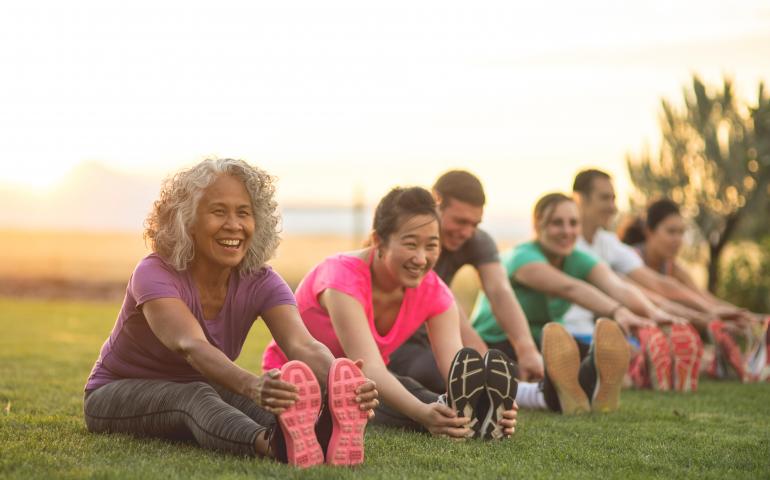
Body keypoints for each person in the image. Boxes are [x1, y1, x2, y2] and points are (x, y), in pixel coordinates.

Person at [83, 158, 378, 468]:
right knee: (196, 395)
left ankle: (319, 434)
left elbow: (302, 344)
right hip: (115, 392)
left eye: (244, 213)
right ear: (187, 221)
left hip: (205, 383)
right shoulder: (155, 272)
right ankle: (272, 445)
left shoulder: (261, 280)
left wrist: (340, 381)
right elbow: (190, 345)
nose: (234, 225)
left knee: (281, 400)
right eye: (218, 211)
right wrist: (252, 385)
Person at [263, 186, 519, 440]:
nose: (421, 258)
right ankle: (459, 420)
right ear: (378, 241)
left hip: (365, 386)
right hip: (298, 381)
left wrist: (482, 398)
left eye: (431, 245)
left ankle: (477, 418)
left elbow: (456, 371)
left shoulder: (435, 292)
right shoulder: (341, 278)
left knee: (415, 394)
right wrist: (423, 413)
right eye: (411, 244)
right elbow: (370, 367)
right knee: (392, 398)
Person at [470, 193, 654, 413]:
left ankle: (590, 388)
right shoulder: (523, 258)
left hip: (547, 341)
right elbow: (570, 288)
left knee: (595, 356)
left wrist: (653, 312)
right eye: (557, 223)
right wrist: (618, 311)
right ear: (538, 224)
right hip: (499, 341)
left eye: (573, 223)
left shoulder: (577, 258)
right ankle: (565, 391)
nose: (567, 231)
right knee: (513, 372)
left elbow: (616, 285)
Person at [388, 171, 542, 395]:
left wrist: (526, 348)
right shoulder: (412, 242)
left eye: (474, 224)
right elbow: (448, 305)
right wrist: (485, 364)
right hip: (399, 343)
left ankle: (540, 391)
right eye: (460, 221)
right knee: (437, 372)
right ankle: (525, 393)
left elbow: (500, 291)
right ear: (436, 202)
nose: (467, 232)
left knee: (505, 367)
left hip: (440, 338)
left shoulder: (476, 240)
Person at [567, 169, 704, 392]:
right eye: (605, 198)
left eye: (613, 199)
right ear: (579, 199)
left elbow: (655, 286)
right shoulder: (568, 246)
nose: (612, 206)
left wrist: (707, 314)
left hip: (599, 328)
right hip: (571, 332)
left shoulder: (607, 243)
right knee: (637, 355)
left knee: (651, 349)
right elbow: (626, 290)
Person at [620, 198, 770, 383]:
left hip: (662, 329)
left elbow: (703, 297)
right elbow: (651, 302)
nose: (677, 240)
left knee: (703, 358)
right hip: (630, 332)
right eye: (671, 232)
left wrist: (748, 317)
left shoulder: (672, 267)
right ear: (649, 232)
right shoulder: (629, 260)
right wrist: (710, 318)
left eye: (681, 233)